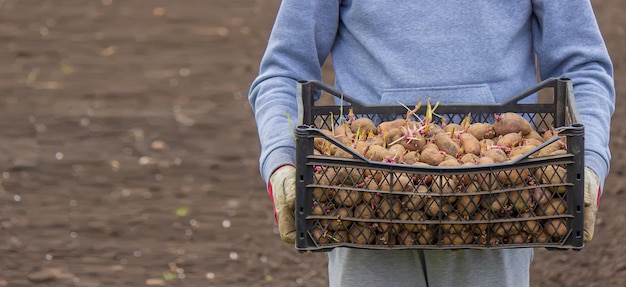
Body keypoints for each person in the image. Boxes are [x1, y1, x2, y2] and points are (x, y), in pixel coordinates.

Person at [248, 1, 615, 286]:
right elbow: (285, 69)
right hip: (367, 198)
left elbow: (581, 66)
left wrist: (589, 164)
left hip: (495, 196)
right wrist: (282, 161)